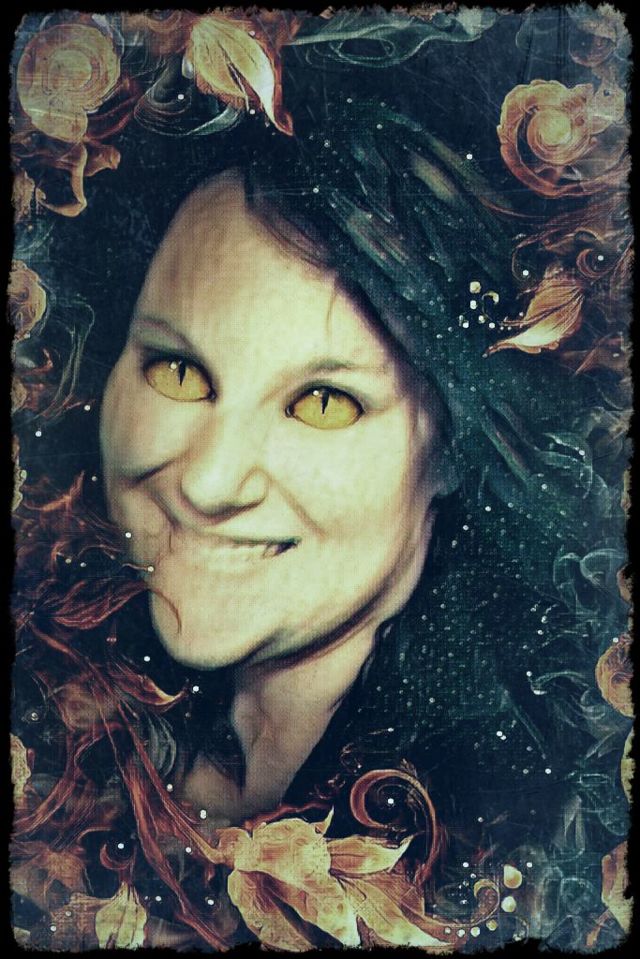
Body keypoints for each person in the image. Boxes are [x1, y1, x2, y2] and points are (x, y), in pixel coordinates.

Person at [10, 6, 631, 952]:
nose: (210, 480)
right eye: (179, 371)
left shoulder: (513, 844)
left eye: (324, 402)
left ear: (450, 446)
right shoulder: (60, 719)